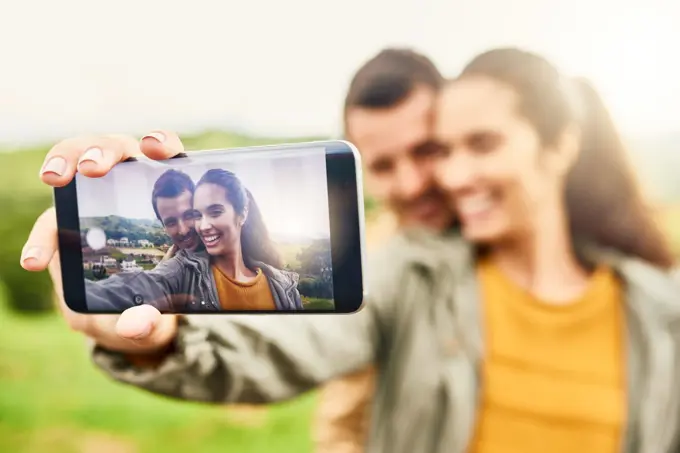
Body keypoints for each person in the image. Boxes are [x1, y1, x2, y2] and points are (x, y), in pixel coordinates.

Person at [22, 47, 680, 453]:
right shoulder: (405, 274)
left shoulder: (659, 309)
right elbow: (286, 346)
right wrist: (160, 338)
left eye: (469, 146)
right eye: (443, 149)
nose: (442, 178)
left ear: (560, 143)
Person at [314, 47, 455, 453]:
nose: (411, 185)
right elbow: (343, 427)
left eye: (425, 150)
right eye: (383, 166)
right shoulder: (369, 264)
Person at [82, 167, 303, 312]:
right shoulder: (178, 270)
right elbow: (139, 286)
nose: (184, 229)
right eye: (170, 222)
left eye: (190, 215)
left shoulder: (276, 280)